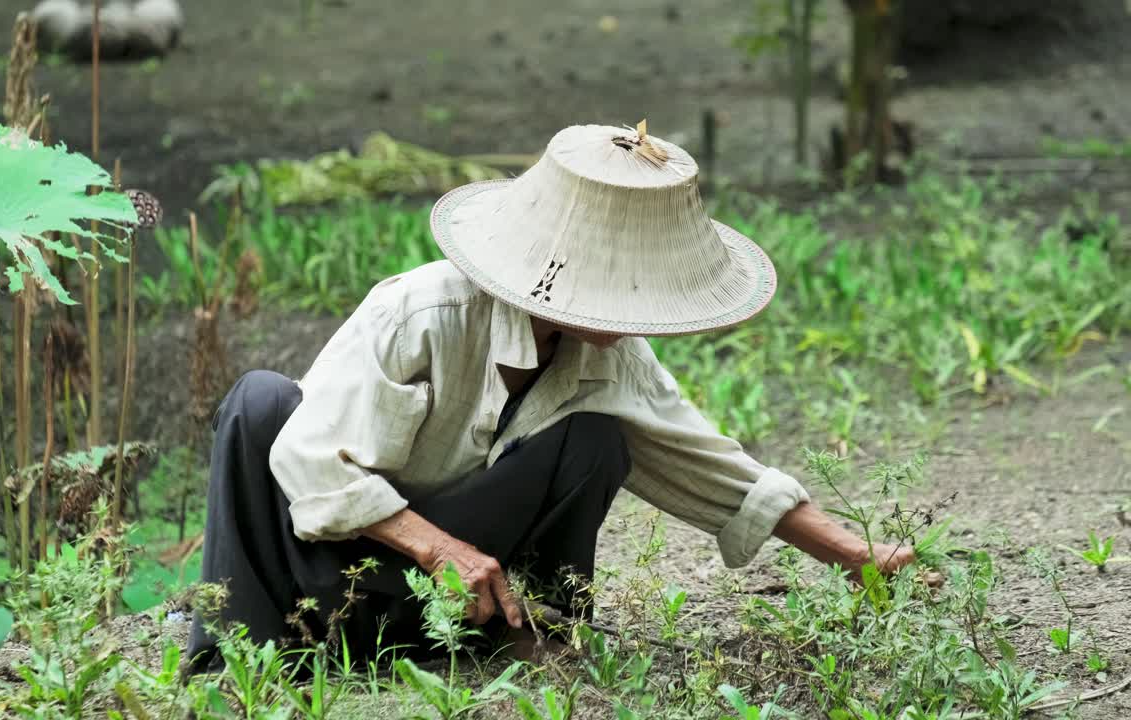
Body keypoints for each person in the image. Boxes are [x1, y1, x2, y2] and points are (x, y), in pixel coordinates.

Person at [186, 121, 916, 670]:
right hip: (309, 578)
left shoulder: (613, 356)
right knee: (259, 402)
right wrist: (440, 550)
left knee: (596, 441)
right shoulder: (421, 313)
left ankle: (516, 640)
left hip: (445, 605)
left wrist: (854, 556)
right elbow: (314, 465)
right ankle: (238, 654)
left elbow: (712, 467)